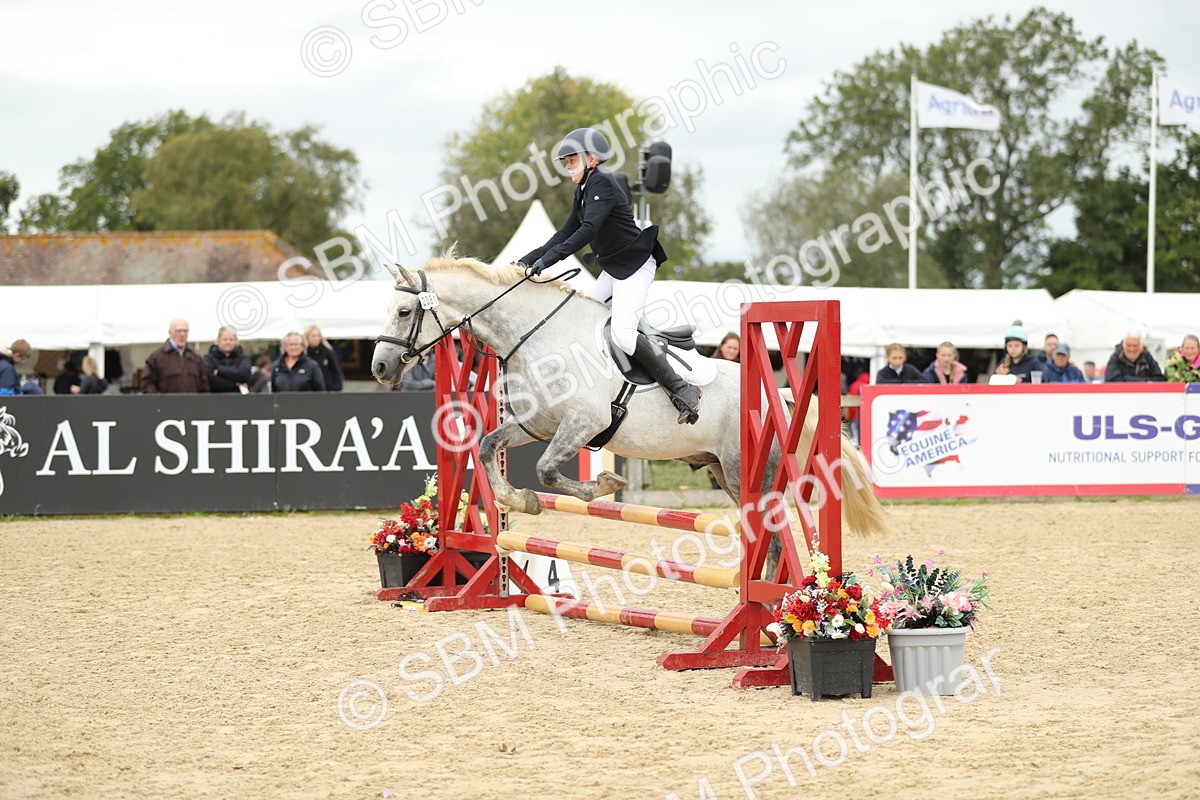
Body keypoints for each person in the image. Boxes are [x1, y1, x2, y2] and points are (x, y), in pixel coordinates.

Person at [518, 127, 698, 424]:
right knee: (581, 317)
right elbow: (565, 233)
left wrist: (548, 261)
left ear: (591, 159)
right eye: (565, 162)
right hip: (615, 267)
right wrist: (526, 260)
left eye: (571, 160)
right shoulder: (584, 189)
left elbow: (587, 230)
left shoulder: (602, 182)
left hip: (636, 265)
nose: (567, 167)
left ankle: (682, 389)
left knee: (624, 335)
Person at [141, 318, 210, 393]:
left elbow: (204, 386)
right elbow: (147, 384)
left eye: (185, 331)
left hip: (193, 404)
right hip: (167, 404)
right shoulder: (156, 357)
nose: (182, 334)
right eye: (178, 331)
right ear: (169, 332)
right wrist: (159, 402)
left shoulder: (196, 358)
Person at [204, 327, 253, 393]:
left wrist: (220, 371)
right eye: (225, 339)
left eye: (231, 339)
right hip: (215, 398)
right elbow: (209, 379)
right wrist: (234, 384)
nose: (228, 342)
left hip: (238, 399)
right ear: (218, 341)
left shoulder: (244, 358)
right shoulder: (209, 358)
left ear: (236, 341)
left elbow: (244, 375)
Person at [304, 324, 344, 392]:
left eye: (318, 336)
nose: (316, 338)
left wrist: (335, 389)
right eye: (313, 336)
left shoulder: (327, 351)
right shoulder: (303, 353)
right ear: (307, 337)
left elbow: (336, 371)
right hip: (308, 390)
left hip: (326, 389)